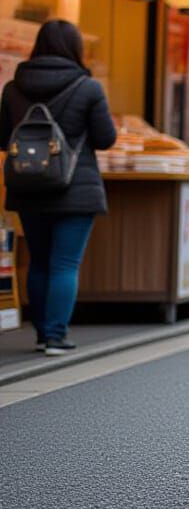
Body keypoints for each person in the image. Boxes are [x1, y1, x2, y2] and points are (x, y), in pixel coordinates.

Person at [0, 20, 117, 355]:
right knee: (65, 263)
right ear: (75, 48)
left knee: (38, 261)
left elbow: (2, 137)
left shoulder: (13, 87)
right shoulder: (88, 88)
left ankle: (41, 334)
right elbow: (106, 138)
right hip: (74, 188)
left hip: (28, 185)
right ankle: (55, 336)